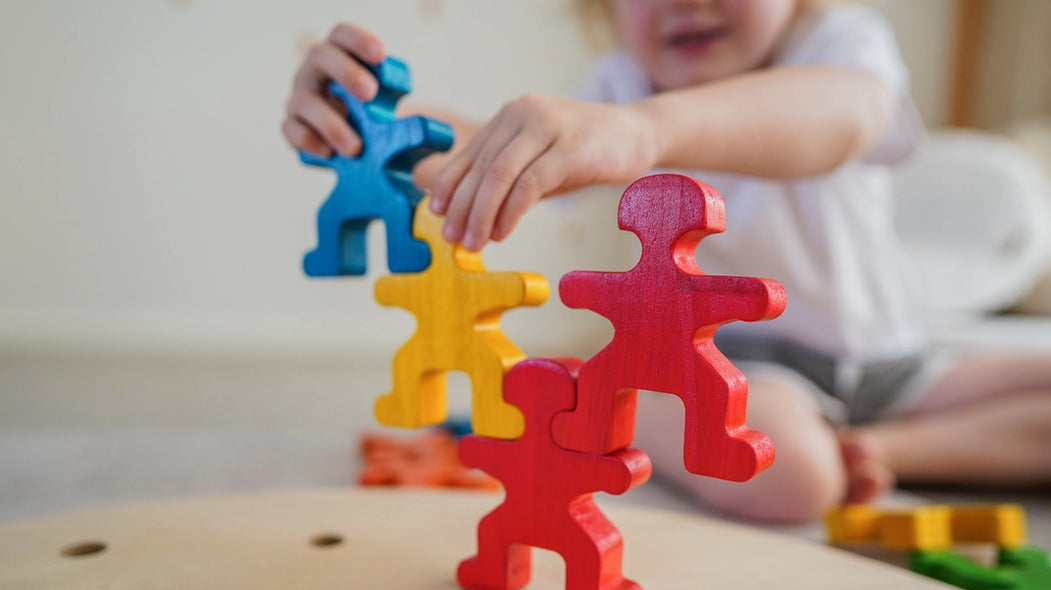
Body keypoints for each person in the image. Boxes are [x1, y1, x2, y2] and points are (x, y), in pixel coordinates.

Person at [282, 0, 1051, 523]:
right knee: (792, 475)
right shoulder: (621, 83)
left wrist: (644, 130)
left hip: (892, 359)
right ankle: (609, 396)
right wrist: (368, 124)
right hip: (735, 368)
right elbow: (493, 147)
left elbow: (843, 118)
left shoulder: (836, 45)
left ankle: (881, 450)